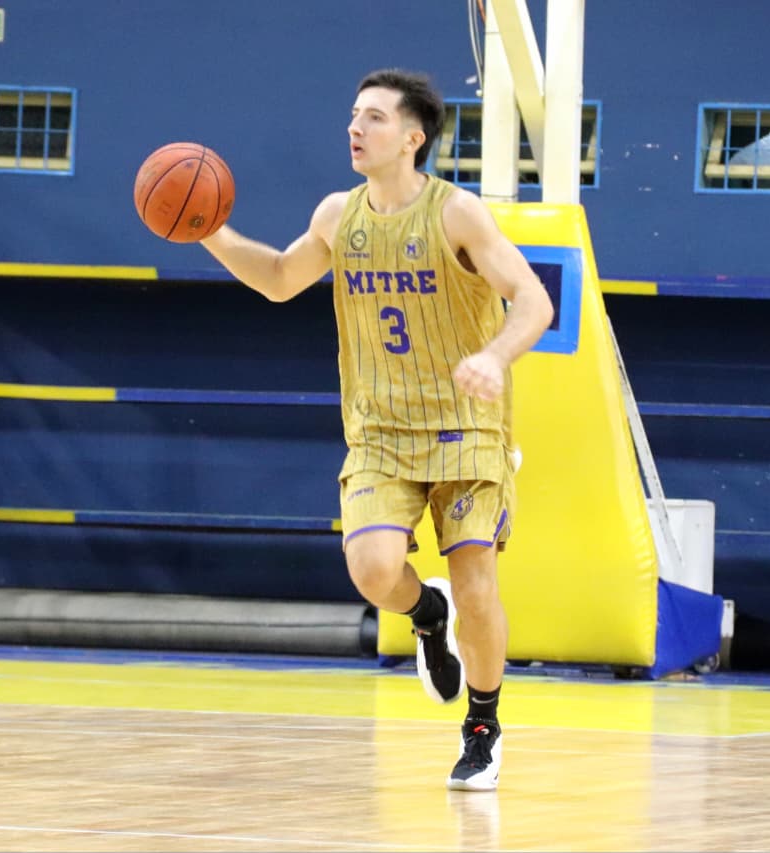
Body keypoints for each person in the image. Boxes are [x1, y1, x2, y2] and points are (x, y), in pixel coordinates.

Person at [199, 68, 554, 791]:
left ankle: (482, 727)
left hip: (465, 426)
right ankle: (426, 612)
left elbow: (533, 300)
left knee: (476, 577)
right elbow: (279, 277)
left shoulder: (458, 214)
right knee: (372, 572)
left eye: (374, 117)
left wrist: (494, 356)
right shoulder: (339, 215)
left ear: (413, 138)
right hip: (381, 432)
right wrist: (211, 231)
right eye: (354, 115)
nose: (355, 127)